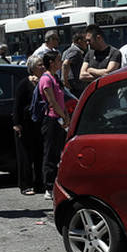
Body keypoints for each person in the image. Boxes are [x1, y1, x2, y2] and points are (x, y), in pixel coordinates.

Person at [38, 50, 71, 200]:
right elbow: (52, 102)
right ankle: (48, 186)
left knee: (60, 152)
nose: (60, 62)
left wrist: (66, 116)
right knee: (50, 153)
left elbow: (62, 99)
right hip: (51, 120)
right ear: (51, 62)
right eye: (58, 60)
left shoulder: (55, 78)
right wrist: (63, 115)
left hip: (60, 119)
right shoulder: (45, 79)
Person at [13, 57, 44, 195]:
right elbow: (17, 105)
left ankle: (39, 183)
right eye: (39, 65)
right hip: (25, 123)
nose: (42, 67)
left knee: (39, 154)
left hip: (39, 123)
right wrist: (17, 124)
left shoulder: (44, 82)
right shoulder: (24, 84)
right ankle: (25, 185)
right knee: (25, 155)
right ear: (32, 68)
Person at [60, 31, 88, 97]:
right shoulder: (75, 51)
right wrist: (65, 81)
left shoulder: (67, 50)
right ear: (79, 41)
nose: (87, 43)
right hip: (75, 85)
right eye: (85, 41)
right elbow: (65, 64)